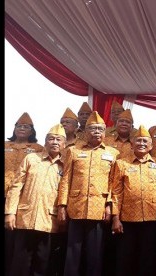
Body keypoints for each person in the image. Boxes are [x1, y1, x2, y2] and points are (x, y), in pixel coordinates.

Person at [57, 111, 120, 276]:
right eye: (92, 128)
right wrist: (62, 206)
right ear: (85, 131)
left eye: (100, 129)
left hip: (99, 209)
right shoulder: (73, 151)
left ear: (105, 132)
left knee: (95, 254)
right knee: (73, 253)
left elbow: (114, 183)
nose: (96, 132)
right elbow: (65, 180)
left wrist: (109, 207)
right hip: (75, 208)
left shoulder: (113, 153)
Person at [4, 124, 67, 276]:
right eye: (51, 139)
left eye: (58, 140)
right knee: (20, 263)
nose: (54, 142)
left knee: (43, 264)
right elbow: (16, 186)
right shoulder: (31, 158)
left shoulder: (66, 165)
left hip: (49, 220)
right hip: (25, 218)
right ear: (45, 142)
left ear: (64, 144)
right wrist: (10, 212)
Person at [110, 125, 156, 276]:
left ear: (151, 145)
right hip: (127, 220)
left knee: (147, 259)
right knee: (125, 258)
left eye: (145, 141)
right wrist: (115, 218)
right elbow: (116, 192)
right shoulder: (122, 163)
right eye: (138, 141)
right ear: (132, 144)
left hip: (151, 219)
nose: (141, 143)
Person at [4, 112, 44, 276]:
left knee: (15, 236)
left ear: (32, 131)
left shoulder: (38, 149)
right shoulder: (5, 145)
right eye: (19, 126)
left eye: (26, 127)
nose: (22, 128)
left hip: (22, 197)